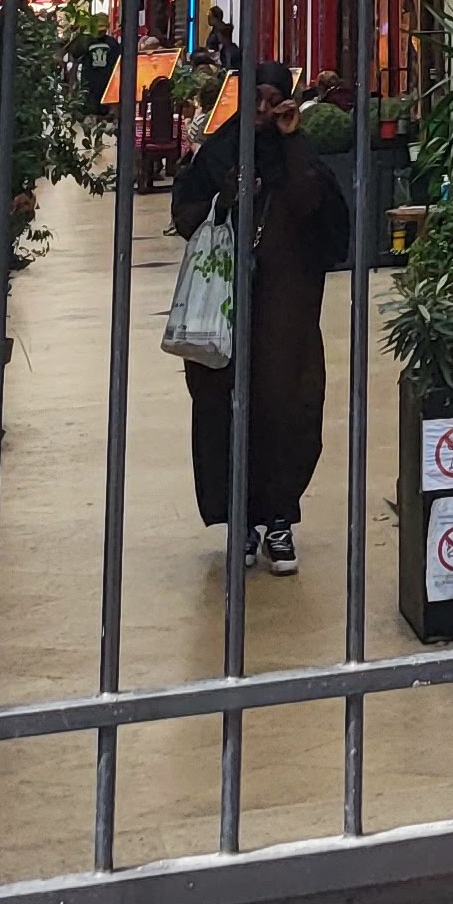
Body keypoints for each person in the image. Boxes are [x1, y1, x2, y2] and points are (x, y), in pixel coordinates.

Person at [170, 67, 348, 574]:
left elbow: (315, 209)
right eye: (256, 99)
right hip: (223, 310)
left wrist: (290, 143)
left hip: (285, 313)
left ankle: (279, 519)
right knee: (224, 410)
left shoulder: (301, 155)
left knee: (287, 409)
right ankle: (240, 519)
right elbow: (185, 215)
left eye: (275, 100)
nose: (265, 110)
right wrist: (226, 198)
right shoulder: (219, 151)